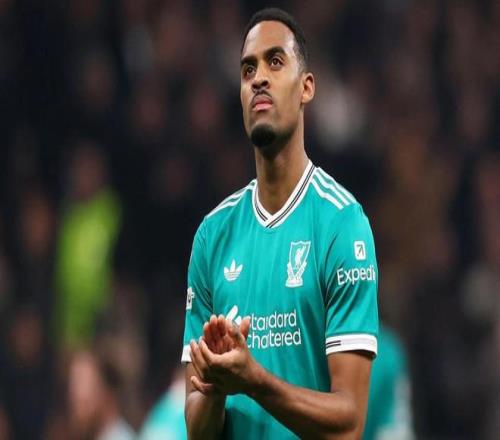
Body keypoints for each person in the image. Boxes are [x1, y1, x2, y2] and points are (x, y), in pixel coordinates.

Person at [182, 7, 378, 439]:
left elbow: (349, 424)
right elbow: (197, 429)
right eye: (248, 69)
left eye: (275, 62)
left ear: (307, 87)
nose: (258, 79)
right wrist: (216, 384)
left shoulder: (342, 225)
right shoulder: (213, 235)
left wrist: (255, 380)